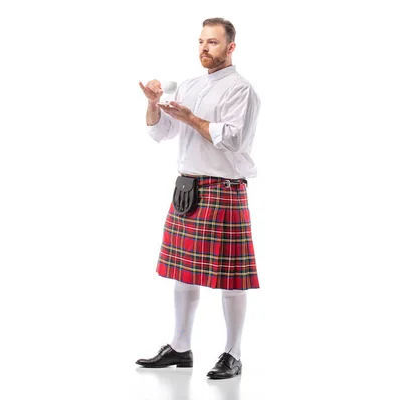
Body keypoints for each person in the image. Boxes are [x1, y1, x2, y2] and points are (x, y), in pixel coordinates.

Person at [136, 17, 261, 380]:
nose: (205, 48)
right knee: (183, 275)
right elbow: (160, 132)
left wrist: (191, 118)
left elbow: (234, 140)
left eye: (213, 43)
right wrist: (154, 104)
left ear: (231, 47)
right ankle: (180, 346)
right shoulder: (189, 85)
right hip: (188, 189)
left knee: (231, 278)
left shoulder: (241, 90)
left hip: (223, 190)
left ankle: (232, 353)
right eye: (202, 42)